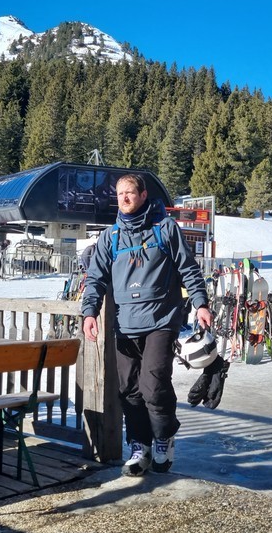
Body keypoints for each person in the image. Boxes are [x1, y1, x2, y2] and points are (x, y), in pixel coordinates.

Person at [80, 173, 212, 477]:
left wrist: (201, 303)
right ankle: (140, 446)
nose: (124, 198)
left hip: (161, 320)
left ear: (142, 195)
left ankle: (164, 437)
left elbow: (188, 268)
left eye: (130, 192)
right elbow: (95, 278)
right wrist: (89, 313)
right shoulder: (110, 237)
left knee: (154, 383)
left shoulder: (165, 229)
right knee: (129, 389)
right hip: (125, 323)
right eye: (119, 194)